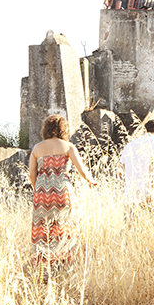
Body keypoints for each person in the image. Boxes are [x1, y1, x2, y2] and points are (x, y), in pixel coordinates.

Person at [27, 113, 97, 270]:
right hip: (63, 192)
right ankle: (64, 262)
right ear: (63, 130)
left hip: (41, 193)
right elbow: (82, 171)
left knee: (43, 228)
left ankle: (44, 266)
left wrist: (38, 189)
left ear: (46, 129)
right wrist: (91, 181)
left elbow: (32, 174)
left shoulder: (37, 148)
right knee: (69, 225)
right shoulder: (68, 147)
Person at [120, 118, 154, 208]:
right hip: (148, 194)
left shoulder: (129, 145)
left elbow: (120, 168)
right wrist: (152, 190)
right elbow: (153, 166)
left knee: (130, 222)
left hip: (130, 196)